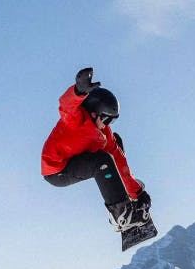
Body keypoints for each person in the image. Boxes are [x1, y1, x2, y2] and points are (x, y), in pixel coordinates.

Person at [41, 67, 152, 231]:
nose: (107, 125)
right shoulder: (75, 118)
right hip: (56, 170)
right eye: (106, 119)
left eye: (111, 122)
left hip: (77, 161)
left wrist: (138, 193)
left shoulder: (104, 134)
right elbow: (66, 105)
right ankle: (120, 215)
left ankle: (126, 203)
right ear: (94, 112)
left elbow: (120, 163)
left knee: (114, 151)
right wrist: (78, 92)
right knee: (102, 161)